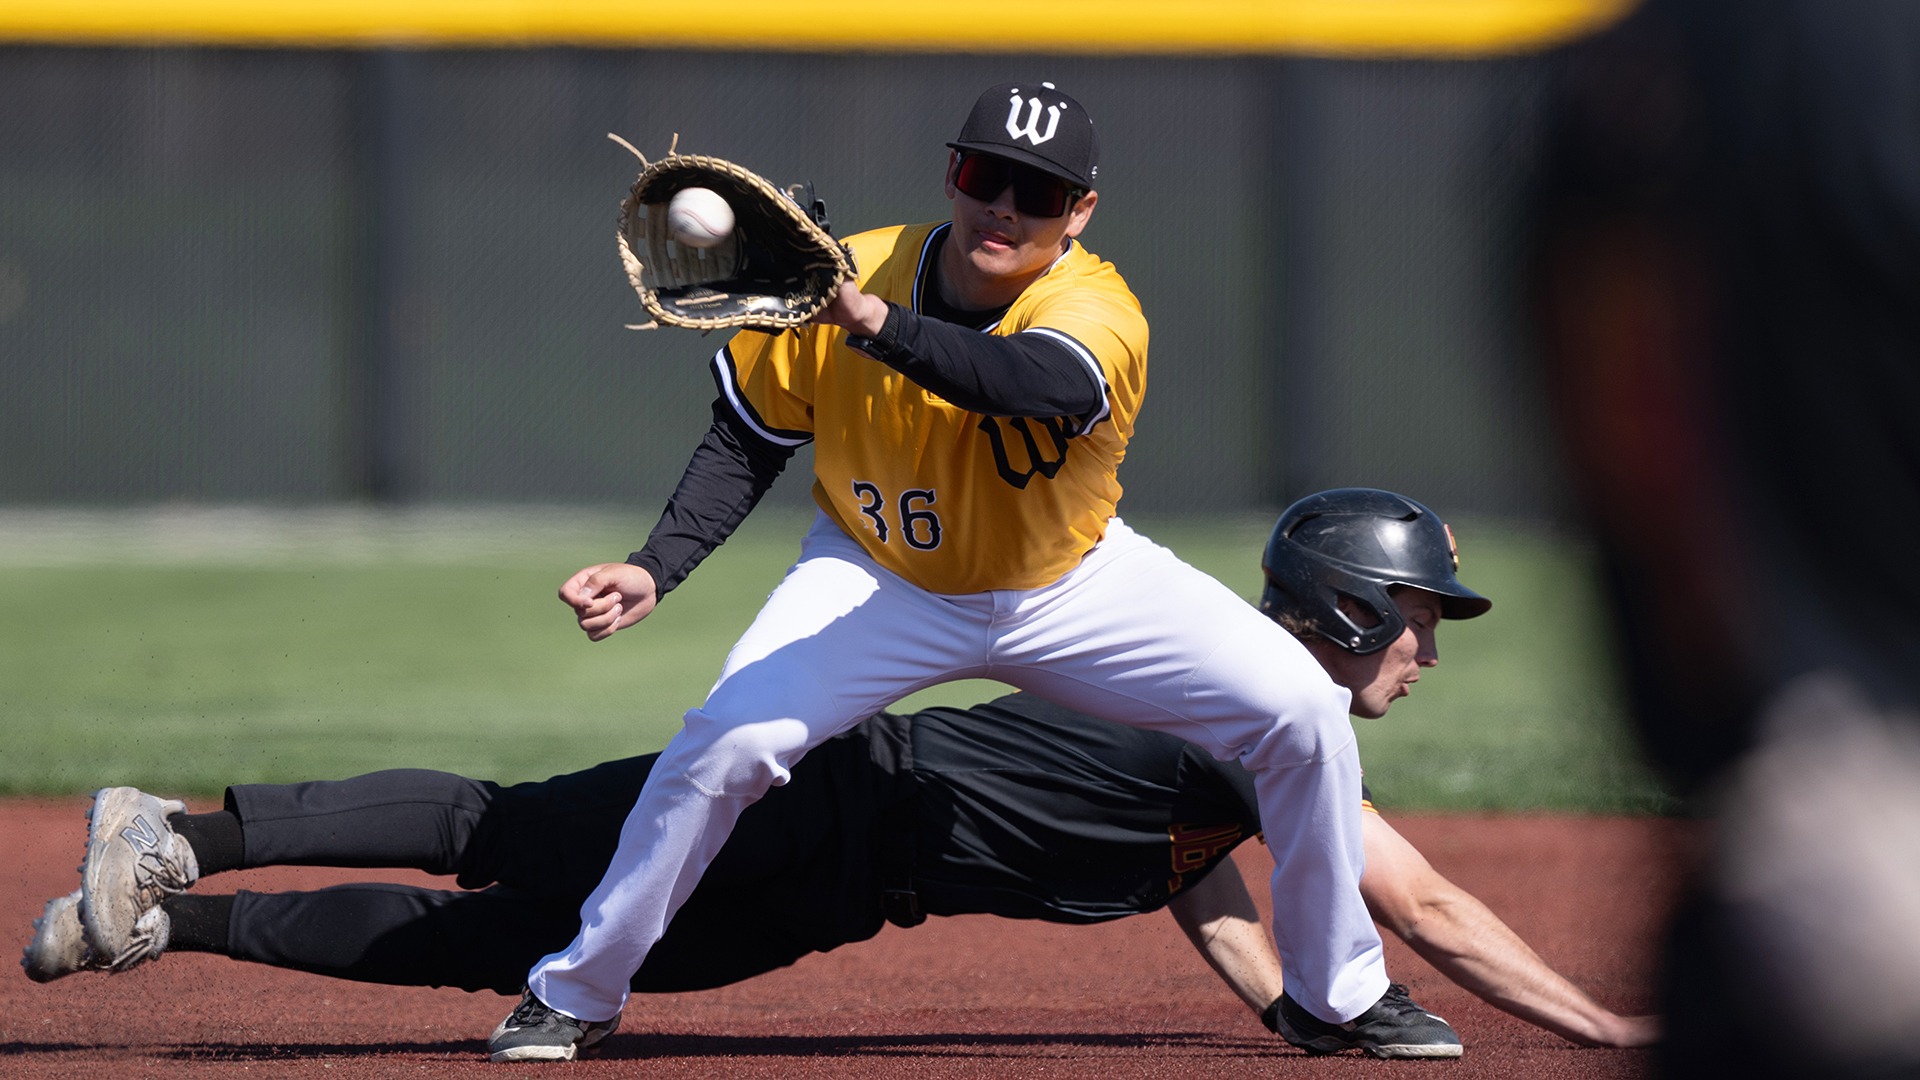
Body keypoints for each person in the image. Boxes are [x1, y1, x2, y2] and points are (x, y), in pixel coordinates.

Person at [445, 79, 1425, 1060]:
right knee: (725, 746)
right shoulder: (853, 270)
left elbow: (1022, 383)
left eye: (1037, 192)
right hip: (877, 580)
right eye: (984, 174)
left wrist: (867, 321)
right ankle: (578, 989)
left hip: (1071, 587)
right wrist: (657, 565)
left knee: (1301, 707)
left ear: (1079, 212)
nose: (1004, 205)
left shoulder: (1093, 306)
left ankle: (1335, 996)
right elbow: (750, 437)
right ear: (951, 174)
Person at [31, 488, 1655, 1057]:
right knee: (497, 835)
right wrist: (1610, 1025)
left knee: (496, 935)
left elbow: (1196, 880)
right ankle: (178, 830)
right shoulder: (1248, 710)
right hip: (827, 804)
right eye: (1420, 619)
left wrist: (1294, 1014)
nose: (1429, 651)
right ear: (1350, 614)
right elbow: (1417, 896)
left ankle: (168, 923)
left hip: (839, 892)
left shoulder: (1231, 744)